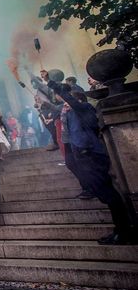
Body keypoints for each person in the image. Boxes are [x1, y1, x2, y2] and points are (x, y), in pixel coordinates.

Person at [46, 78, 137, 245]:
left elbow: (71, 101)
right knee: (106, 194)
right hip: (85, 156)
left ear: (78, 100)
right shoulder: (73, 114)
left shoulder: (84, 109)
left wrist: (56, 88)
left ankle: (125, 231)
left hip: (92, 155)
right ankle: (120, 229)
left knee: (109, 195)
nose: (66, 105)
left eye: (69, 102)